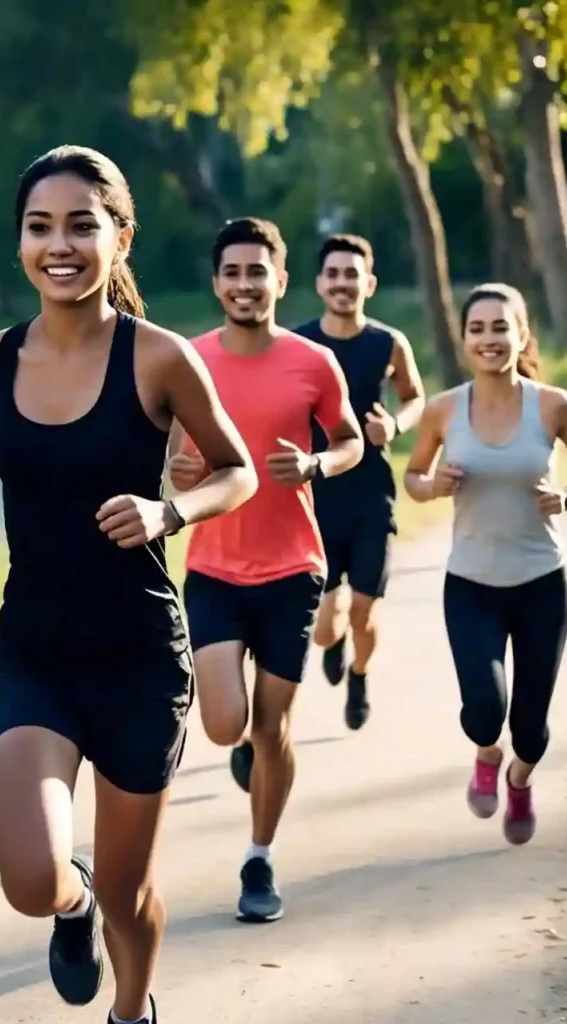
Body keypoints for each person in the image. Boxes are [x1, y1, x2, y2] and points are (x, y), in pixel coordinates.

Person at [0, 146, 257, 1024]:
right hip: (35, 653)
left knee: (131, 892)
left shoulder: (158, 358)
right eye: (40, 227)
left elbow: (236, 472)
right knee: (31, 878)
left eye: (83, 225)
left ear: (120, 238)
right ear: (19, 245)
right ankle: (68, 907)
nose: (61, 245)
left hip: (139, 660)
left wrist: (170, 514)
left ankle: (131, 1010)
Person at [168, 217, 364, 923]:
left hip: (292, 567)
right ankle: (247, 753)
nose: (245, 285)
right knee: (226, 724)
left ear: (280, 281)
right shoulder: (187, 361)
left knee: (273, 726)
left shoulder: (314, 363)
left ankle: (259, 858)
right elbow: (167, 458)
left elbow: (349, 443)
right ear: (217, 283)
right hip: (216, 565)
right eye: (233, 273)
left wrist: (315, 463)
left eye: (258, 272)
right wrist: (177, 474)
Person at [403, 282, 567, 845]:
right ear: (465, 339)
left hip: (542, 583)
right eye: (478, 329)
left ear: (521, 335)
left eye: (500, 328)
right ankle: (488, 754)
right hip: (471, 584)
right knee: (484, 713)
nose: (489, 339)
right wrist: (433, 484)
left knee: (533, 730)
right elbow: (413, 478)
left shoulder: (553, 405)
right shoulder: (445, 410)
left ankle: (519, 777)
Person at [292, 234, 426, 730]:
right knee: (325, 628)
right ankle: (336, 643)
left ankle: (360, 676)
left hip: (372, 496)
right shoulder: (300, 344)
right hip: (317, 496)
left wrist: (394, 425)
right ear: (319, 283)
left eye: (352, 275)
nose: (343, 284)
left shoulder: (388, 343)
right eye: (333, 275)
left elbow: (414, 397)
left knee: (364, 613)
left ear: (368, 283)